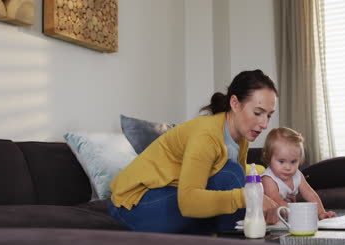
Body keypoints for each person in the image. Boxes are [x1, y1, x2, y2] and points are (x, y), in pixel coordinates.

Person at [109, 69, 280, 234]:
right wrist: (249, 198)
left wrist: (267, 205)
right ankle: (229, 240)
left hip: (171, 195)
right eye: (258, 113)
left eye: (269, 115)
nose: (265, 124)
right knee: (231, 175)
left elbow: (240, 187)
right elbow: (189, 202)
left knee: (232, 177)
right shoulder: (206, 135)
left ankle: (230, 239)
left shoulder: (242, 139)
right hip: (131, 206)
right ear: (234, 104)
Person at [261, 127, 337, 220]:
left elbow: (310, 194)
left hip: (287, 217)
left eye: (293, 161)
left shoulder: (297, 175)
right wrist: (299, 211)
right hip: (268, 219)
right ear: (268, 157)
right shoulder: (268, 179)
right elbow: (276, 201)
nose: (288, 167)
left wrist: (321, 212)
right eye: (281, 161)